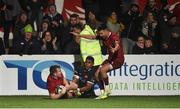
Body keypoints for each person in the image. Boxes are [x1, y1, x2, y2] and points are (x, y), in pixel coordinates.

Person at [71, 24, 124, 99]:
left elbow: (117, 44)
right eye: (99, 34)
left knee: (102, 70)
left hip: (118, 59)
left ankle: (107, 90)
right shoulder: (104, 37)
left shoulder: (114, 36)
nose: (100, 35)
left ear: (106, 30)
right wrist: (79, 35)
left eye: (101, 33)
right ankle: (102, 93)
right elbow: (91, 37)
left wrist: (114, 49)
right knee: (97, 74)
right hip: (110, 59)